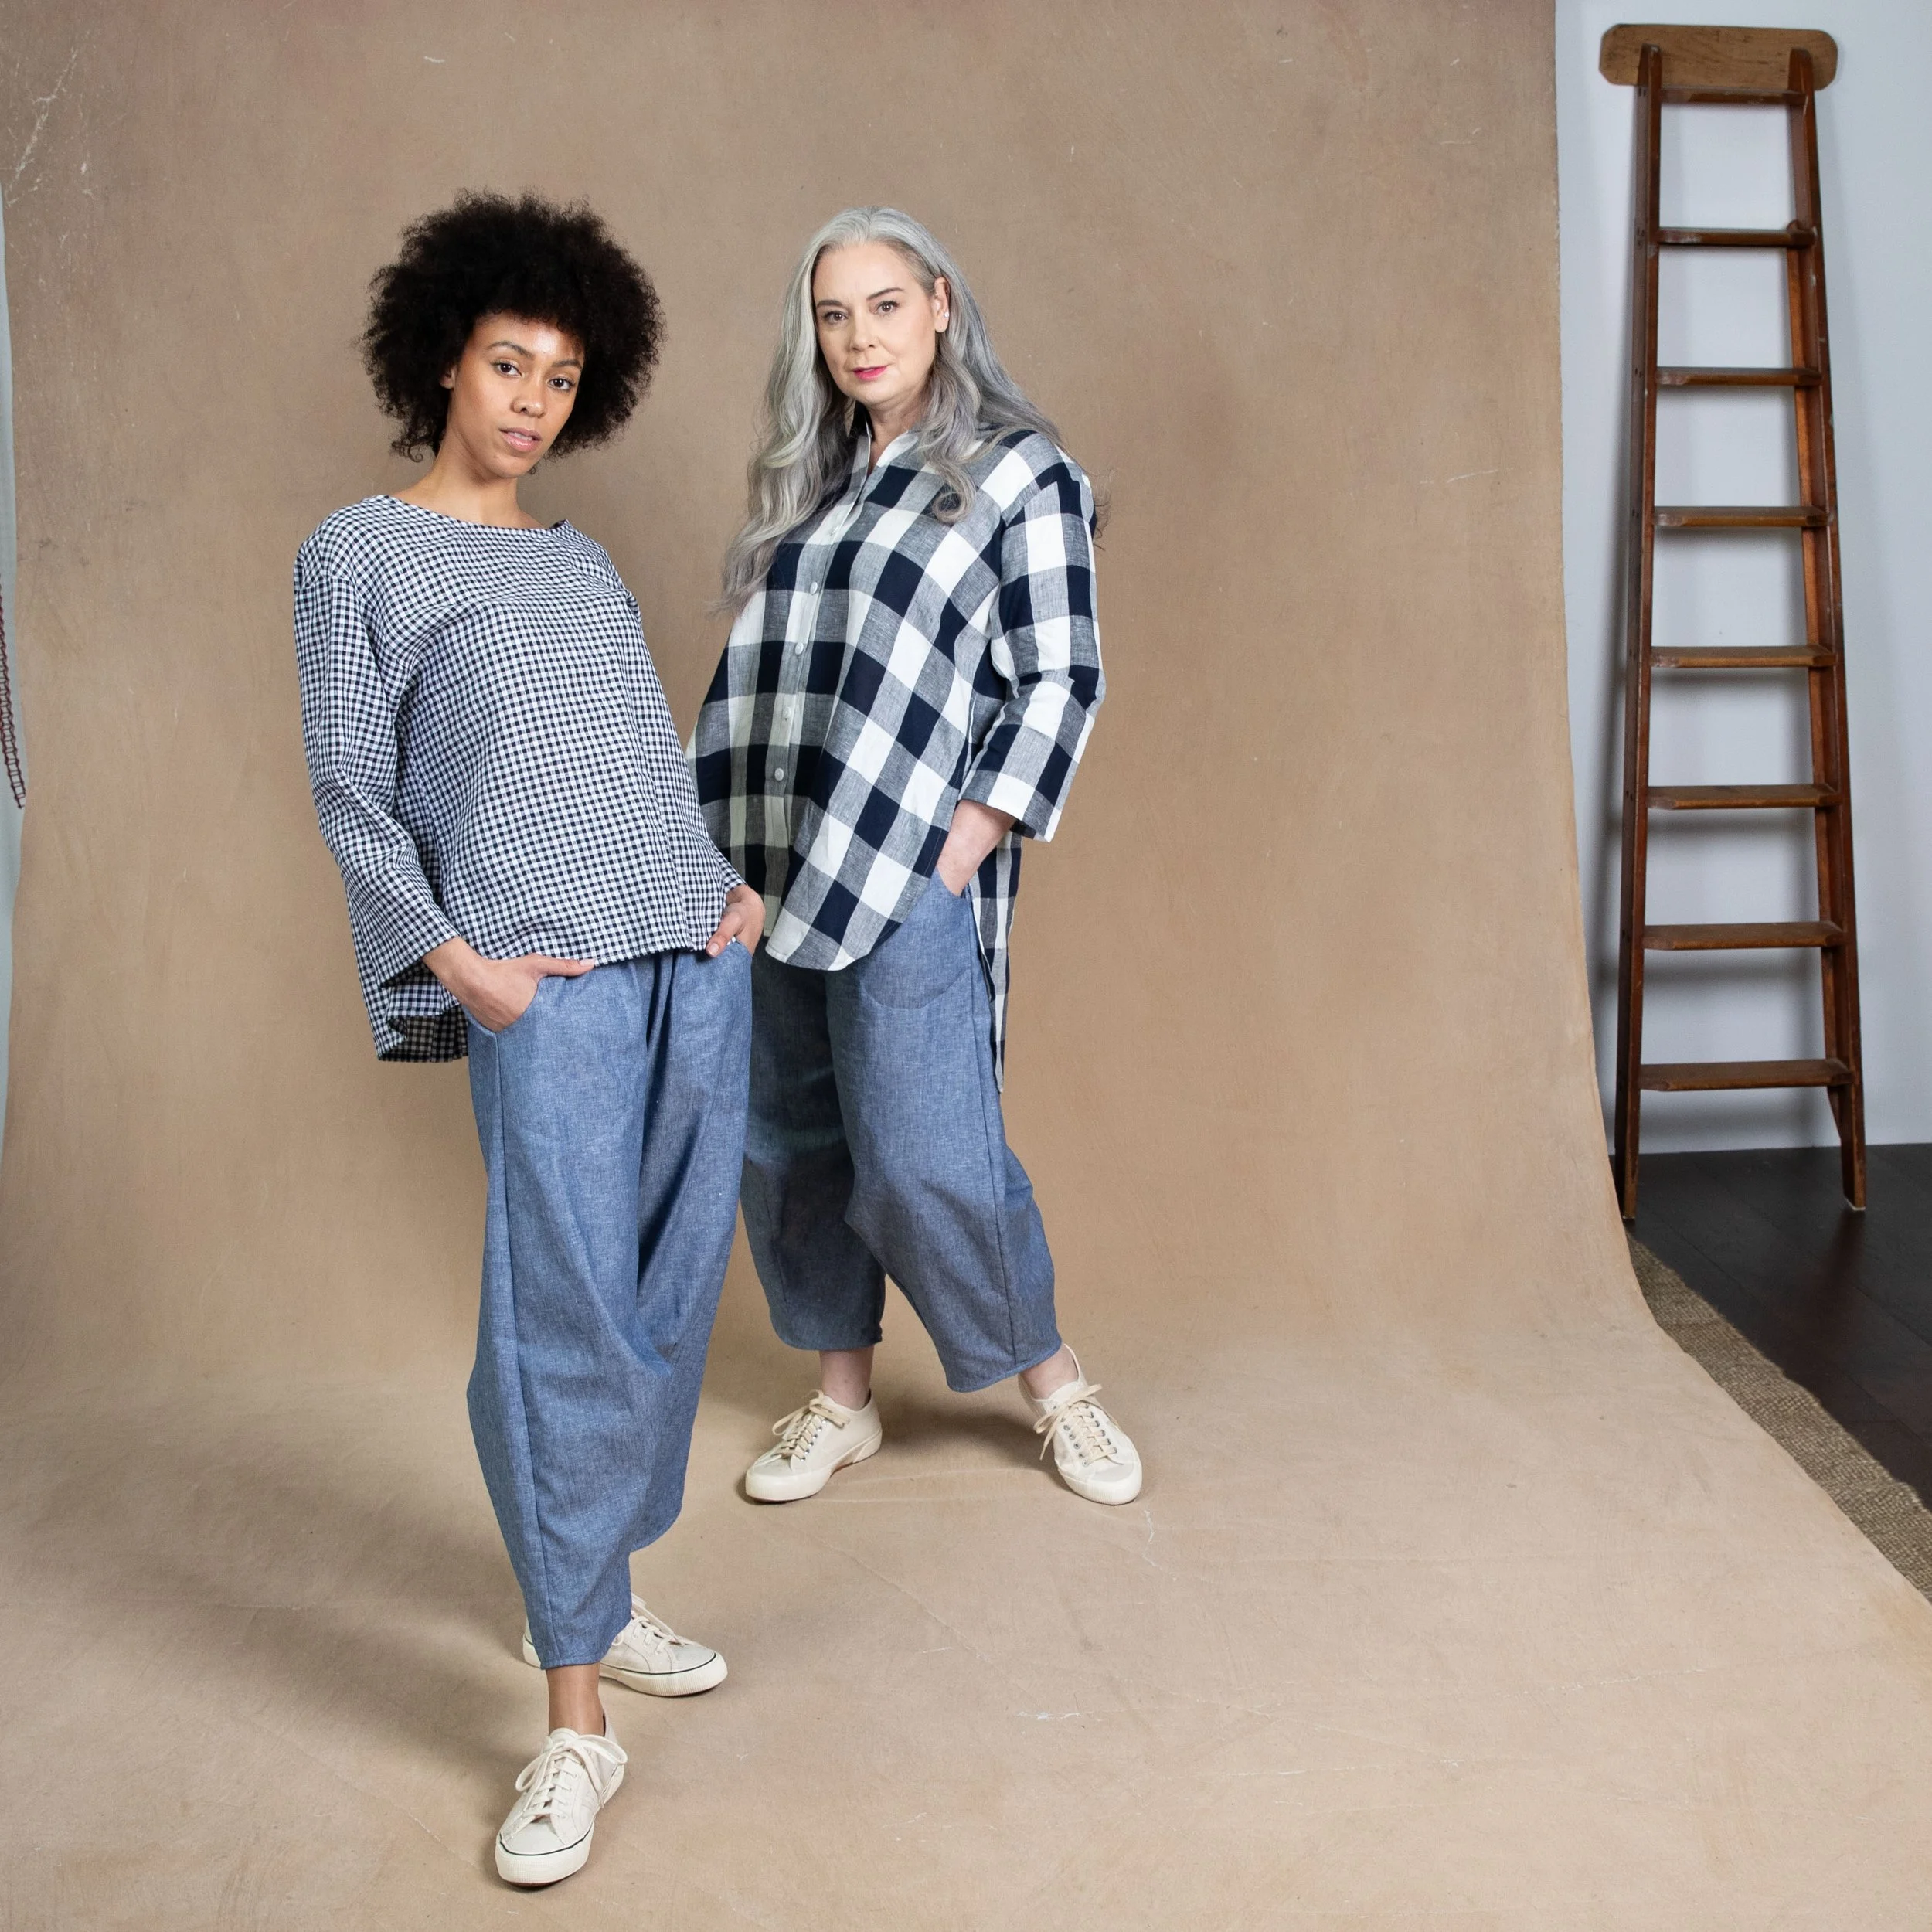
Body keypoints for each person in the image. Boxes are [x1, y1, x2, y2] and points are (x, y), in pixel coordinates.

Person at [293, 192, 764, 1889]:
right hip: (542, 985)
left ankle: (596, 1586)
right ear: (444, 358)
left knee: (661, 1297)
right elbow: (350, 790)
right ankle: (574, 1721)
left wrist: (721, 890)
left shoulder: (578, 562)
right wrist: (460, 966)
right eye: (509, 365)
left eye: (563, 377)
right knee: (561, 1314)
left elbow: (642, 755)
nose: (533, 402)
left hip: (687, 957)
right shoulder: (358, 554)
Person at [694, 206, 1141, 1509]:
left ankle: (1056, 1385)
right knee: (788, 1141)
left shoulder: (1020, 473)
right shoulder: (816, 483)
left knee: (925, 1148)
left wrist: (964, 843)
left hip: (902, 868)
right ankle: (841, 1401)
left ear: (940, 304)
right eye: (833, 315)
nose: (859, 337)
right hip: (769, 856)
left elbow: (1061, 676)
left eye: (884, 306)